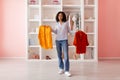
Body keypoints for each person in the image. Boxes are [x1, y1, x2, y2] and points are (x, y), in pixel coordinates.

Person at [51, 11, 73, 77]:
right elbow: (55, 32)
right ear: (57, 17)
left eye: (61, 15)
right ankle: (61, 68)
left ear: (63, 16)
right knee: (59, 55)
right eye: (59, 15)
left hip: (64, 40)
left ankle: (67, 70)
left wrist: (76, 32)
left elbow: (70, 31)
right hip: (57, 40)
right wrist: (51, 29)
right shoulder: (56, 24)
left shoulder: (66, 23)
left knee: (66, 56)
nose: (60, 17)